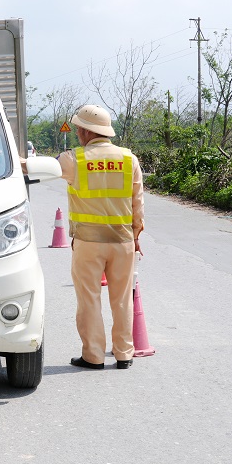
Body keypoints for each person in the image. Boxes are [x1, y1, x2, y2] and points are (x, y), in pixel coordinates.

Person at [58, 105, 145, 371]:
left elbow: (34, 170)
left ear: (85, 131)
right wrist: (136, 237)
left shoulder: (72, 159)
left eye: (77, 129)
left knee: (89, 299)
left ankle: (93, 356)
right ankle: (124, 354)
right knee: (122, 299)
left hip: (88, 242)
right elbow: (137, 205)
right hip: (123, 241)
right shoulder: (129, 159)